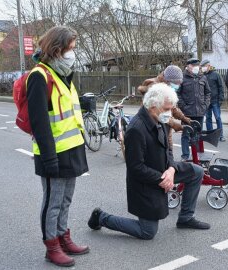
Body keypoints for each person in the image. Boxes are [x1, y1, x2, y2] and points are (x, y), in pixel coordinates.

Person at [87, 83, 210, 240]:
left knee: (196, 172)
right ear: (153, 106)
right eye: (166, 109)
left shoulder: (160, 119)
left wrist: (172, 170)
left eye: (170, 109)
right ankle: (101, 217)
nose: (169, 113)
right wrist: (162, 179)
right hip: (146, 181)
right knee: (148, 232)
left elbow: (168, 150)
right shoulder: (136, 129)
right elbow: (135, 167)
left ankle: (185, 218)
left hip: (165, 170)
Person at [27, 26, 89, 267]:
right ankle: (51, 246)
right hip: (52, 152)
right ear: (57, 48)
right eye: (70, 48)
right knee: (52, 201)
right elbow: (40, 123)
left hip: (71, 149)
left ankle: (64, 237)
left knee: (66, 200)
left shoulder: (64, 73)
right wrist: (49, 158)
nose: (73, 52)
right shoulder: (39, 76)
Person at [137, 65, 191, 148]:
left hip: (164, 127)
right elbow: (158, 113)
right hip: (155, 127)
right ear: (168, 80)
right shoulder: (155, 88)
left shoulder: (167, 87)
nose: (178, 86)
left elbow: (172, 107)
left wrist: (184, 118)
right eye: (176, 83)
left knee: (168, 152)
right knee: (162, 150)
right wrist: (176, 125)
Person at [178, 58, 211, 161]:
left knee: (197, 134)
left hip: (200, 111)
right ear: (188, 66)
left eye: (197, 65)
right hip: (187, 112)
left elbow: (208, 93)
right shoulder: (182, 78)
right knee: (186, 133)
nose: (196, 67)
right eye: (193, 65)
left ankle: (196, 155)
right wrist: (183, 106)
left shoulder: (203, 77)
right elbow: (177, 93)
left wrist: (205, 105)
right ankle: (185, 156)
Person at [201, 59, 226, 142]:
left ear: (208, 66)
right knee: (208, 118)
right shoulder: (202, 76)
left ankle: (220, 135)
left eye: (204, 66)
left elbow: (221, 87)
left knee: (218, 117)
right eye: (202, 67)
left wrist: (220, 99)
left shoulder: (216, 74)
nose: (203, 68)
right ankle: (210, 135)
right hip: (206, 101)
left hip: (215, 100)